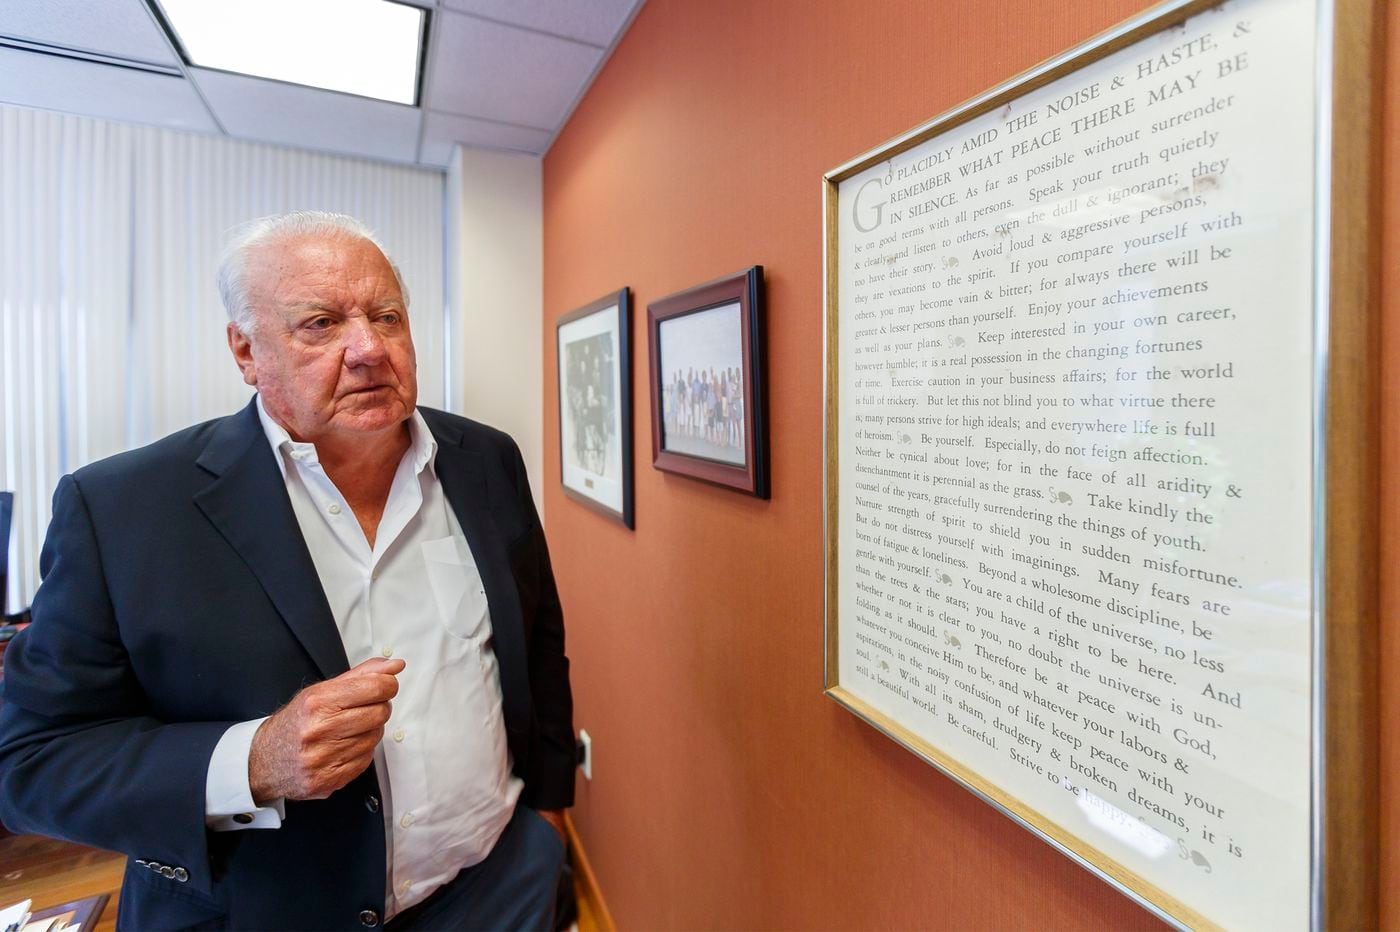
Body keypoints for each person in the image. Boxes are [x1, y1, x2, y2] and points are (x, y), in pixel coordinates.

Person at [0, 212, 575, 931]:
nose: (369, 349)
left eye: (387, 316)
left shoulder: (486, 460)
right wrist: (251, 762)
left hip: (495, 886)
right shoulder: (122, 510)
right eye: (321, 324)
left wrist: (548, 816)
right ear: (246, 350)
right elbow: (31, 761)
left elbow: (536, 640)